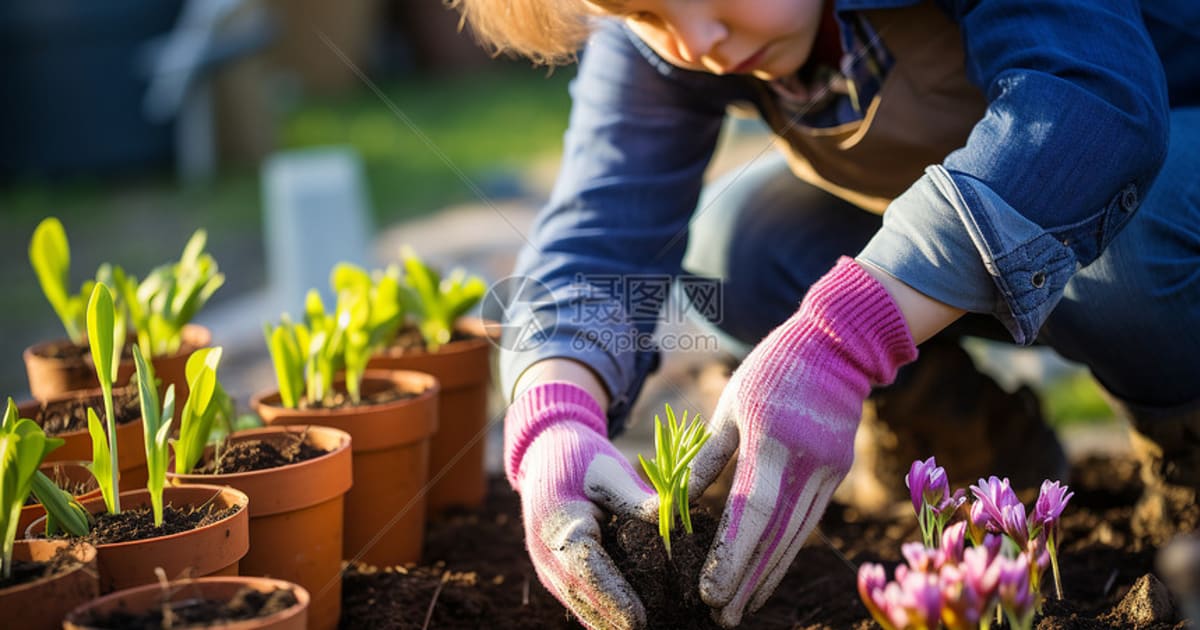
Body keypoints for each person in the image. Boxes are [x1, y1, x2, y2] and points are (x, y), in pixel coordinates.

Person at [450, 0, 1200, 627]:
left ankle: (1186, 445)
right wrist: (554, 411)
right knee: (736, 250)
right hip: (961, 224)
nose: (698, 42)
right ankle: (972, 445)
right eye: (645, 14)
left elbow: (1090, 105)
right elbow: (599, 227)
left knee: (1137, 248)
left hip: (1145, 151)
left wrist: (844, 338)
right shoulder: (680, 33)